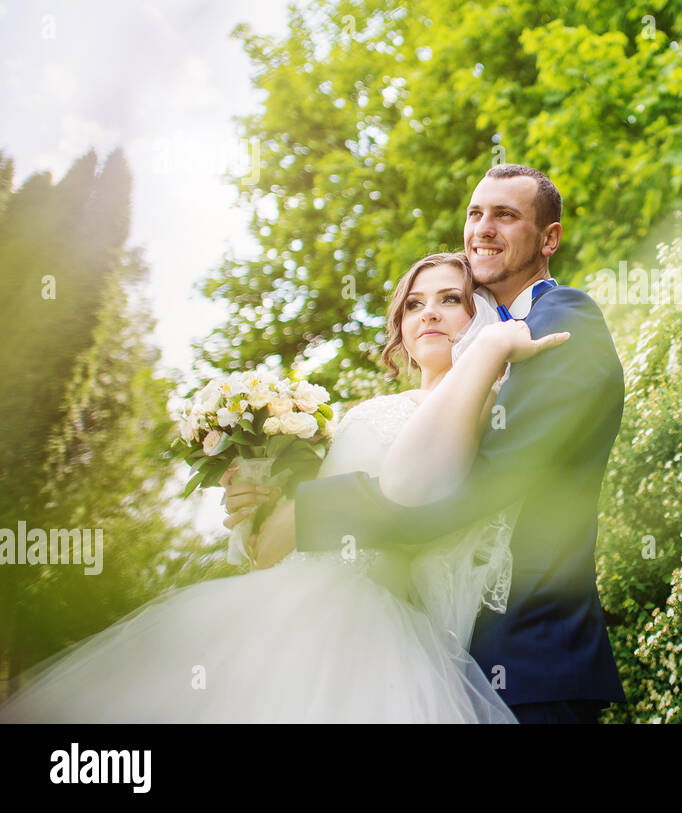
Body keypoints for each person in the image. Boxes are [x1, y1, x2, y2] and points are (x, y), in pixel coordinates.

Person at [0, 251, 563, 722]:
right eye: (414, 304)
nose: (428, 314)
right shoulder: (357, 413)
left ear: (482, 316)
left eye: (450, 299)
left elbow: (416, 497)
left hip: (368, 629)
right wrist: (256, 510)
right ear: (399, 331)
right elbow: (276, 550)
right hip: (278, 609)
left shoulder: (476, 407)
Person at [233, 164, 627, 723]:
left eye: (506, 215)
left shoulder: (563, 319)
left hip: (530, 653)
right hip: (439, 657)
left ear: (549, 238)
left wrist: (308, 515)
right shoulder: (477, 355)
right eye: (475, 213)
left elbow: (482, 482)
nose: (483, 228)